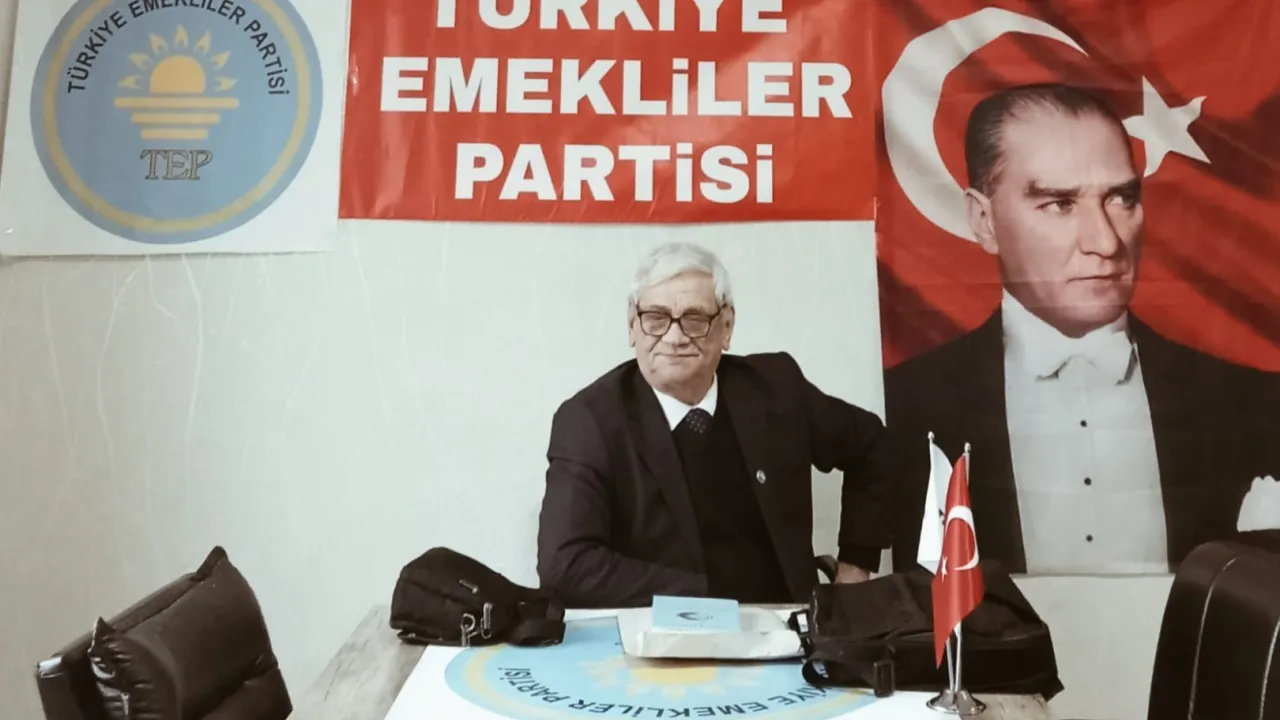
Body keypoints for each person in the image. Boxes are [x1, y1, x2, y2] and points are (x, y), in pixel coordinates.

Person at [885, 83, 1280, 576]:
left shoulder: (1252, 405)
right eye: (1060, 203)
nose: (1105, 242)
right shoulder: (901, 409)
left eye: (1121, 198)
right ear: (984, 221)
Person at [536, 242, 891, 608]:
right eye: (655, 318)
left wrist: (856, 563)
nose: (674, 338)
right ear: (632, 326)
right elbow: (565, 566)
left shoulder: (776, 389)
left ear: (726, 327)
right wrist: (707, 597)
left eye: (694, 320)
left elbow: (871, 445)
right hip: (665, 627)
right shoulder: (590, 421)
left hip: (786, 622)